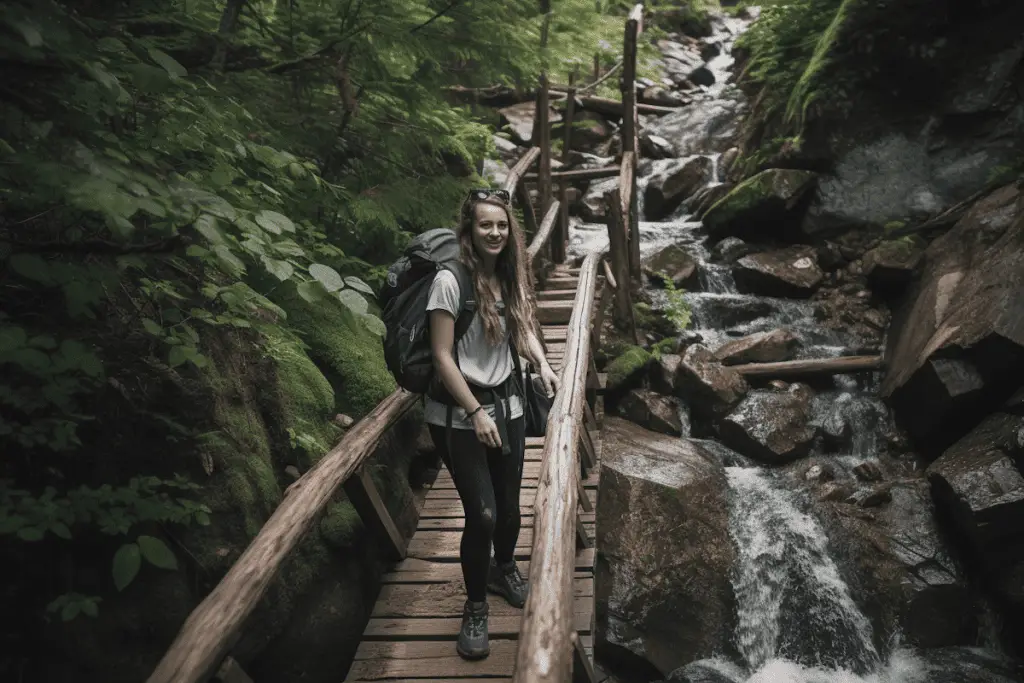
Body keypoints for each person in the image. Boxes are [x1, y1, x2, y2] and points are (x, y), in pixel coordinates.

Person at [425, 188, 560, 660]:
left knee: (509, 512)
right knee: (481, 514)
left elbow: (521, 331)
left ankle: (504, 567)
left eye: (502, 225)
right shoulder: (450, 280)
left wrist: (542, 363)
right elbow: (442, 356)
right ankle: (476, 605)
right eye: (486, 225)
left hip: (511, 407)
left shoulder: (510, 275)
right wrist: (475, 411)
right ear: (469, 230)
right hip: (461, 415)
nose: (496, 232)